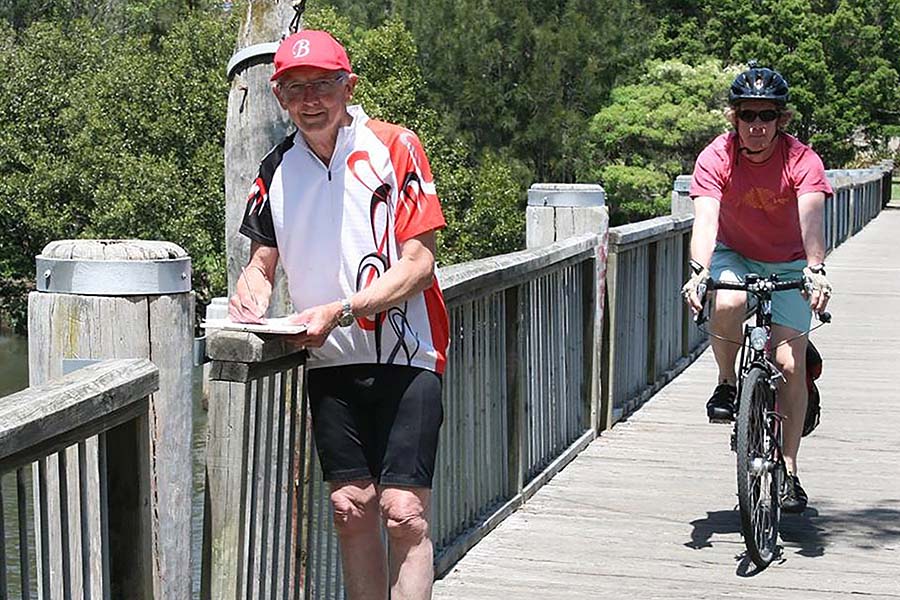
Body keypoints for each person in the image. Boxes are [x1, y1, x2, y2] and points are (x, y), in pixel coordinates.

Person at [228, 29, 449, 600]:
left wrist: (345, 307)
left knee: (404, 514)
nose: (310, 99)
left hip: (410, 353)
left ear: (347, 86)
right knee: (351, 508)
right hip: (328, 360)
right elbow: (261, 262)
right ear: (278, 97)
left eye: (323, 85)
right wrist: (250, 290)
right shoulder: (275, 168)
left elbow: (419, 265)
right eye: (295, 88)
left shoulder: (396, 146)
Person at [681, 62, 833, 513]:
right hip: (735, 252)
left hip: (789, 260)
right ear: (735, 119)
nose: (756, 126)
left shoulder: (803, 160)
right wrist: (697, 271)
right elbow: (705, 219)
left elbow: (812, 221)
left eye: (766, 116)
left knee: (789, 363)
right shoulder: (715, 157)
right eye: (747, 115)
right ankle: (728, 383)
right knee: (727, 298)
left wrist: (816, 269)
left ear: (781, 120)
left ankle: (788, 469)